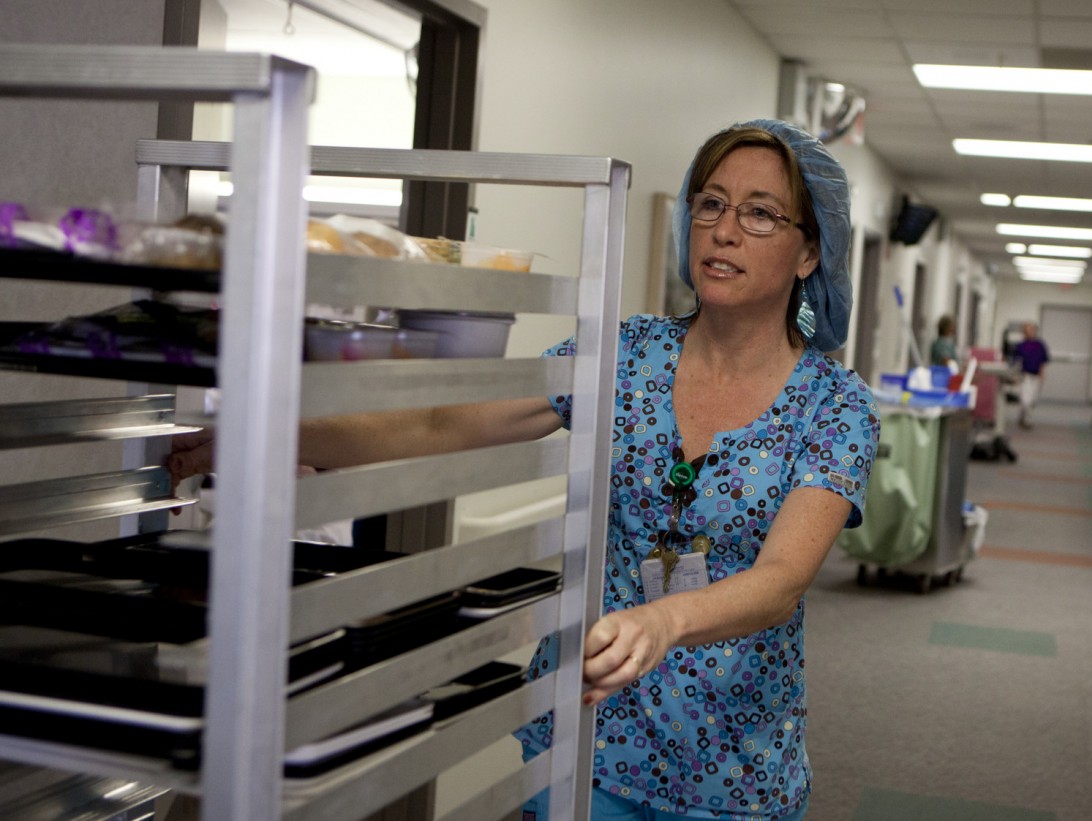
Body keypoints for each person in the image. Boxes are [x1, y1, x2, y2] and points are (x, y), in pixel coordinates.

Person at [168, 118, 879, 821]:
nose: (725, 229)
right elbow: (443, 423)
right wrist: (272, 436)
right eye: (711, 203)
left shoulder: (835, 405)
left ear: (810, 253)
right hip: (590, 737)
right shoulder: (626, 353)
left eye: (760, 213)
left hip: (734, 768)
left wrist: (663, 621)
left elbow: (781, 580)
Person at [1013, 322, 1049, 428]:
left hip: (1036, 376)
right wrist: (1015, 376)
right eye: (1027, 330)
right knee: (1025, 400)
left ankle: (1023, 416)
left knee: (1032, 400)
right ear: (1024, 332)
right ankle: (1028, 421)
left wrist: (1042, 374)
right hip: (1024, 376)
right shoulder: (1020, 346)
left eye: (1031, 330)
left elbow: (1043, 361)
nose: (1029, 332)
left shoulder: (1040, 345)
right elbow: (1016, 362)